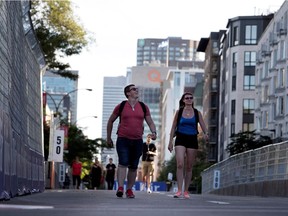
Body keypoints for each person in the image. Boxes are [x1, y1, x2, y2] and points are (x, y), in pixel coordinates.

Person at [106, 84, 157, 198]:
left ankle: (129, 189)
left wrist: (154, 132)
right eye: (134, 89)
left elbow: (150, 122)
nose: (136, 90)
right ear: (128, 93)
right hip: (123, 139)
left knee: (133, 166)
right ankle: (120, 187)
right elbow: (110, 121)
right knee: (123, 162)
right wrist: (108, 137)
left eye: (136, 89)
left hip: (137, 140)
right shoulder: (121, 106)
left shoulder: (143, 107)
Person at [168, 92, 208, 199]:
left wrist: (206, 134)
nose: (189, 99)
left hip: (192, 139)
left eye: (191, 98)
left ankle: (186, 191)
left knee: (189, 166)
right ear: (183, 100)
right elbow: (173, 128)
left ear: (193, 100)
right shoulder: (179, 112)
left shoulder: (197, 112)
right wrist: (170, 141)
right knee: (180, 164)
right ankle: (179, 190)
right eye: (187, 98)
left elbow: (203, 126)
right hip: (180, 138)